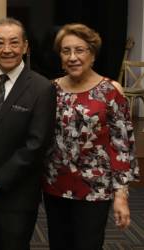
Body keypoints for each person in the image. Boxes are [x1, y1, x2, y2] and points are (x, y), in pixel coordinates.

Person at [42, 23, 140, 250]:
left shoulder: (110, 90)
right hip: (55, 185)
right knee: (58, 244)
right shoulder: (50, 89)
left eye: (80, 50)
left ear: (93, 54)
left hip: (95, 189)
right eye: (66, 51)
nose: (72, 57)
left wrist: (121, 195)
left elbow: (122, 146)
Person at [0, 17, 57, 250]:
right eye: (0, 43)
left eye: (14, 43)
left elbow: (36, 144)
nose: (7, 50)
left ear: (25, 46)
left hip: (17, 195)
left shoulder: (41, 87)